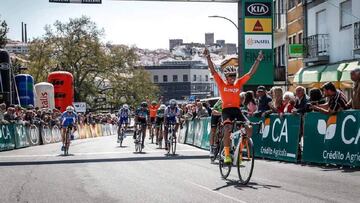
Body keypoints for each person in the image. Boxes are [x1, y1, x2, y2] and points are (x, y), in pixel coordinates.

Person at [204, 48, 263, 164]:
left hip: (236, 110)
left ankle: (241, 149)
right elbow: (213, 71)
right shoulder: (221, 83)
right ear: (226, 77)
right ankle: (226, 155)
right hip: (226, 110)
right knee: (227, 129)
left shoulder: (238, 83)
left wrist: (258, 60)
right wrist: (208, 57)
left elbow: (250, 73)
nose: (233, 78)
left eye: (234, 76)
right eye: (230, 76)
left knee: (249, 127)